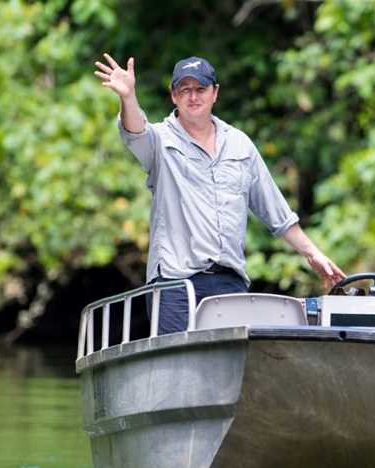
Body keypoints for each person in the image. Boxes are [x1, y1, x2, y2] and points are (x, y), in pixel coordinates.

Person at [94, 53, 345, 333]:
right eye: (185, 90)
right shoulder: (159, 141)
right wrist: (128, 97)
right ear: (174, 96)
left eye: (200, 89)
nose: (193, 97)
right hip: (175, 283)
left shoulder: (240, 144)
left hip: (229, 280)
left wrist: (314, 254)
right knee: (179, 365)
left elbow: (277, 213)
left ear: (215, 93)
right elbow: (135, 132)